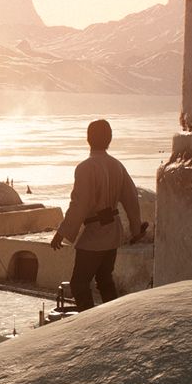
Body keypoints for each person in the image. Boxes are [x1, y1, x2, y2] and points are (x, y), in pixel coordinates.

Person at [50, 119, 144, 312]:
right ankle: (113, 318)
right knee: (104, 280)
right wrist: (136, 229)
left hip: (95, 235)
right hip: (113, 233)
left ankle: (89, 321)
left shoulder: (85, 167)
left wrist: (62, 232)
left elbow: (80, 204)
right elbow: (131, 198)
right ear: (109, 139)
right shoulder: (118, 166)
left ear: (88, 138)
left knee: (79, 283)